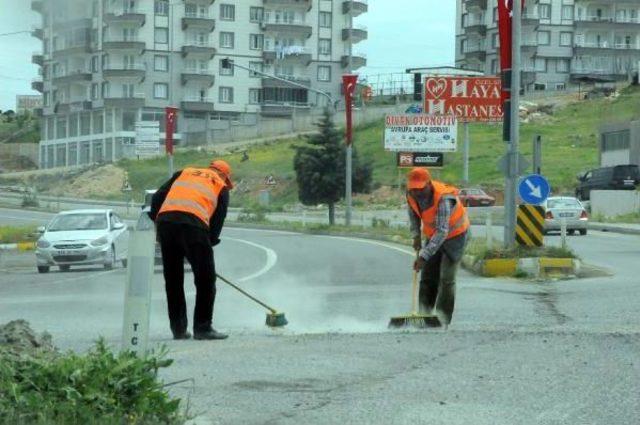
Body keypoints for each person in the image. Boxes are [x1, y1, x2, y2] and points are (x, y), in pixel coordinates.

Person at [149, 160, 233, 340]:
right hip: (194, 226)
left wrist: (158, 221)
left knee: (173, 279)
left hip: (166, 222)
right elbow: (218, 219)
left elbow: (157, 198)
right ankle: (202, 328)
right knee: (205, 279)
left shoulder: (184, 172)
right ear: (225, 176)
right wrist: (207, 246)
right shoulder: (220, 185)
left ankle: (178, 329)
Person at [406, 167, 469, 328]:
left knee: (447, 279)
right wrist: (416, 236)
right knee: (427, 277)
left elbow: (442, 231)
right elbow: (413, 216)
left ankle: (442, 319)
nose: (417, 192)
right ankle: (423, 317)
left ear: (428, 184)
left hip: (455, 237)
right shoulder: (411, 194)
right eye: (414, 189)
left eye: (420, 188)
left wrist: (423, 256)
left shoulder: (443, 198)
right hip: (433, 236)